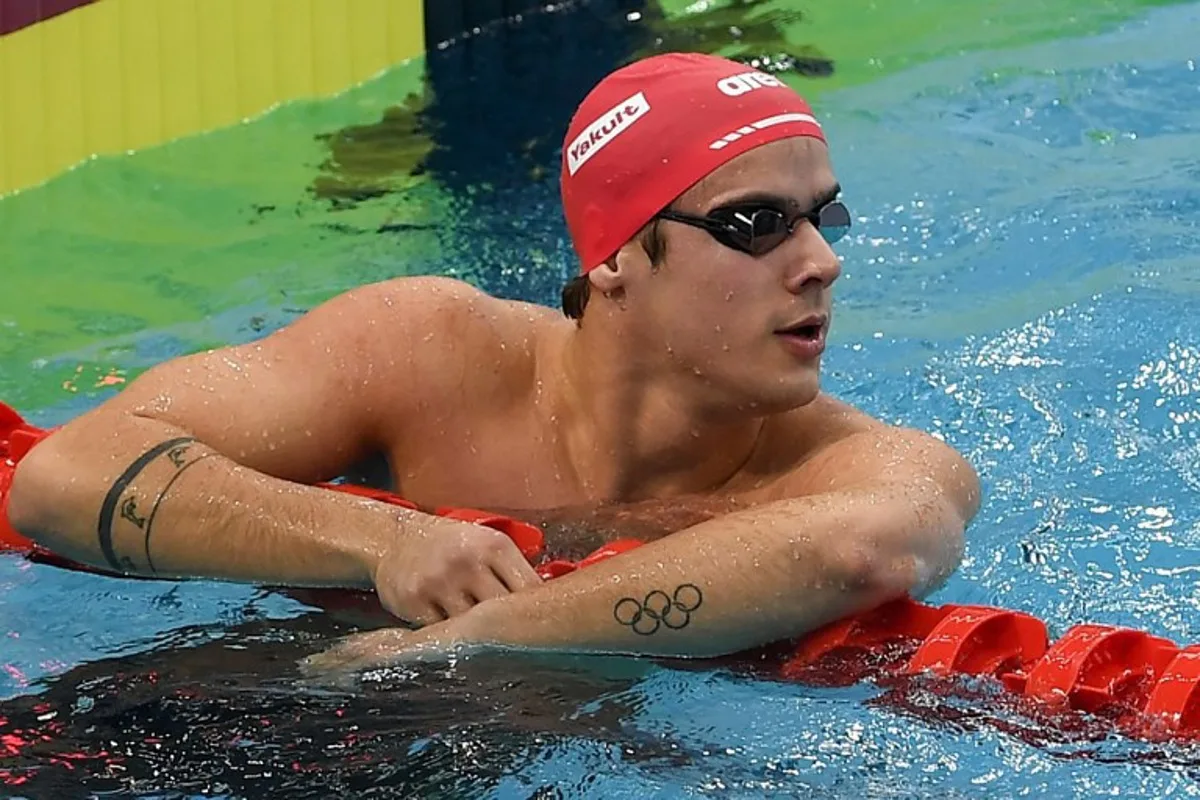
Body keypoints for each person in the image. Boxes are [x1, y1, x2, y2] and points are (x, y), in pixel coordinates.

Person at [7, 52, 979, 667]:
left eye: (824, 215)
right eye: (756, 223)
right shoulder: (426, 348)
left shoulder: (851, 462)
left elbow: (859, 548)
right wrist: (382, 542)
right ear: (612, 258)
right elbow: (61, 476)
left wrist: (474, 635)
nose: (821, 261)